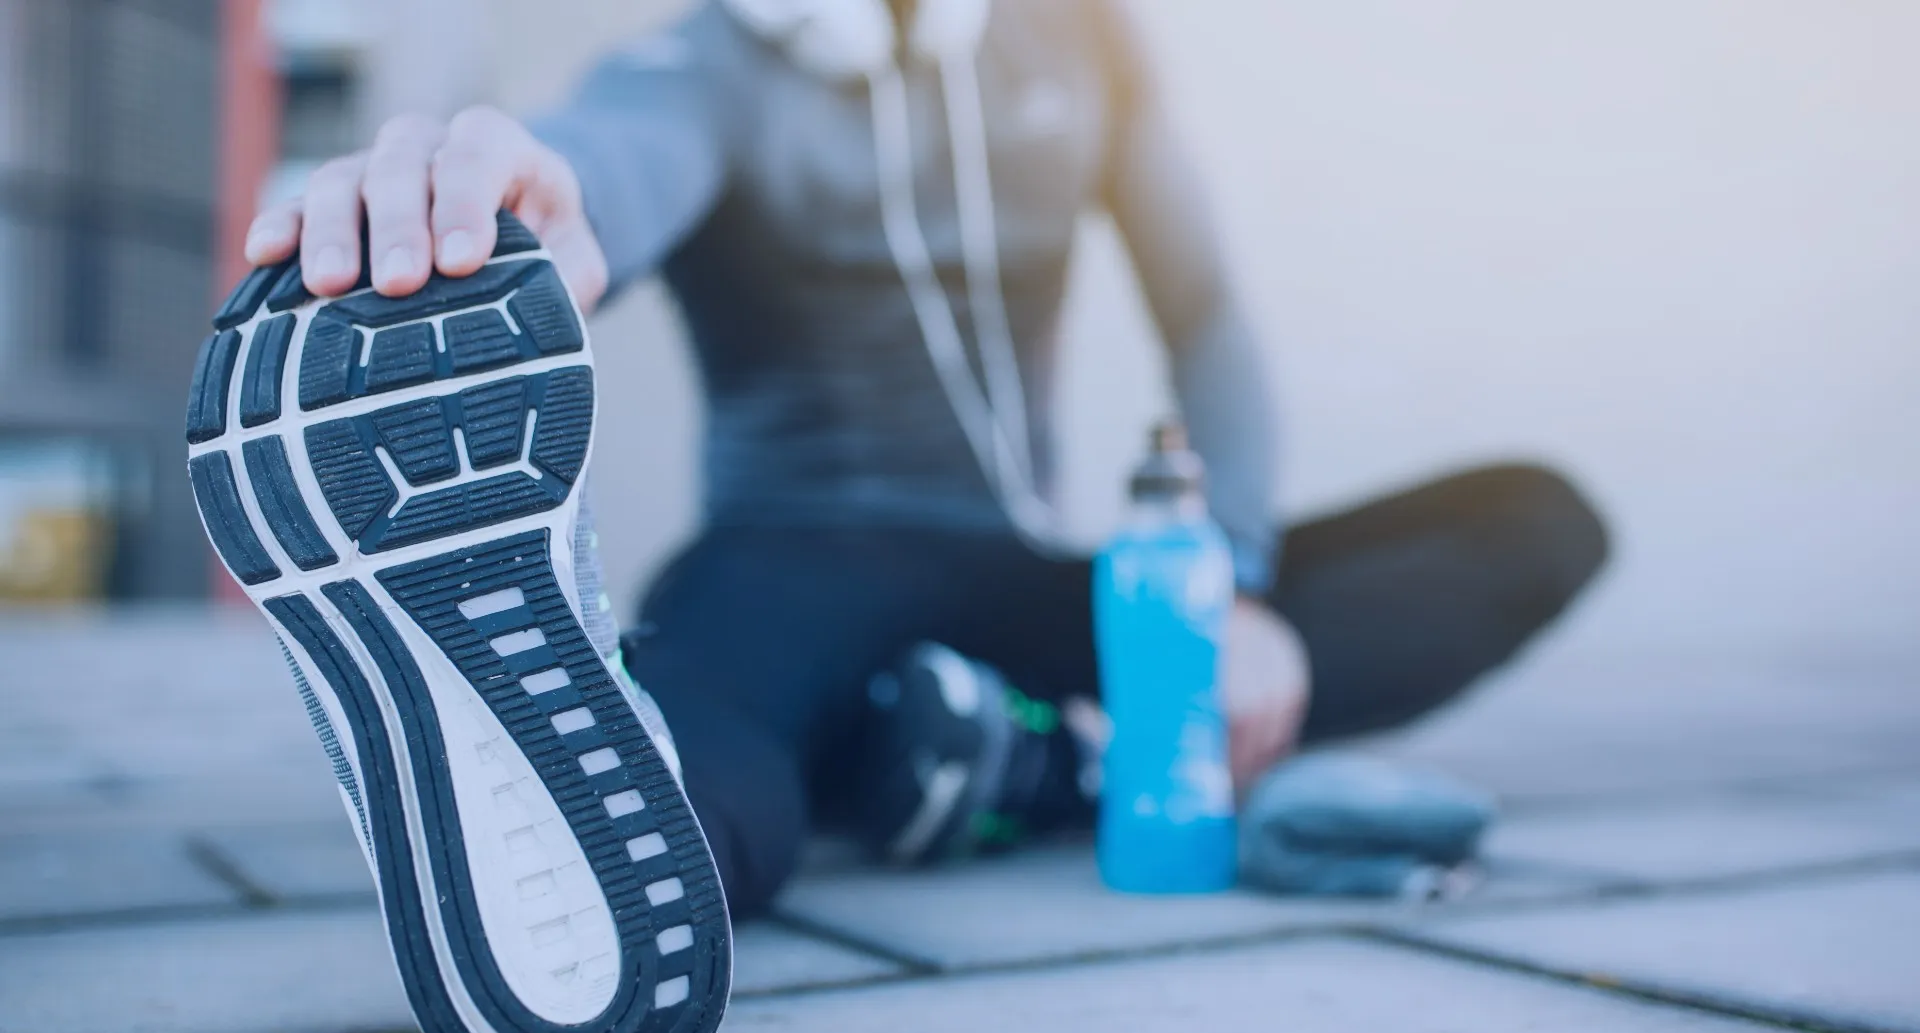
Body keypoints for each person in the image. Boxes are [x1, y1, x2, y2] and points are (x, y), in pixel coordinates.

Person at [241, 0, 1606, 926]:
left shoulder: (1081, 36)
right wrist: (515, 217)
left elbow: (1206, 320)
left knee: (1533, 519)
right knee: (696, 759)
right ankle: (557, 889)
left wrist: (1231, 584)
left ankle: (980, 756)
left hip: (1030, 576)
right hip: (792, 557)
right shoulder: (707, 62)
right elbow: (608, 163)